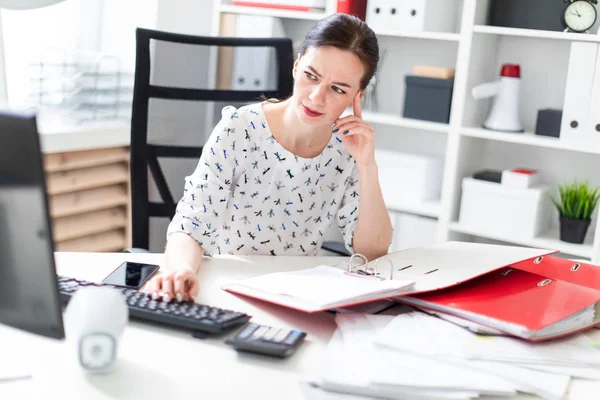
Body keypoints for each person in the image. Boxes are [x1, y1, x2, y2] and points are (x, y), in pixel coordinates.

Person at [144, 13, 393, 303]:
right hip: (227, 283)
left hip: (296, 295)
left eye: (337, 89)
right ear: (297, 65)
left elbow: (372, 253)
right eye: (311, 76)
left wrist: (367, 165)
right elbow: (191, 223)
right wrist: (182, 270)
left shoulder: (347, 147)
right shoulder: (239, 127)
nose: (316, 97)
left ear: (358, 96)